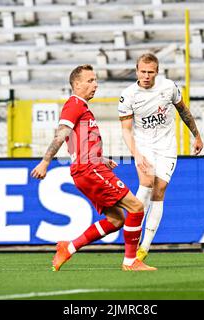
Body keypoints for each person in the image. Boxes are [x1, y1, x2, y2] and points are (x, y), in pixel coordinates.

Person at [31, 64, 157, 271]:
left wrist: (101, 158)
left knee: (116, 220)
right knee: (136, 207)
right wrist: (46, 161)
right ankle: (130, 261)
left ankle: (69, 248)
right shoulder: (74, 104)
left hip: (88, 168)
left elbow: (77, 142)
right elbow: (61, 134)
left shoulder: (80, 107)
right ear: (76, 84)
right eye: (90, 81)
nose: (95, 85)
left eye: (95, 80)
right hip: (88, 170)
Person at [119, 53, 203, 261]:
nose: (146, 76)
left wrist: (197, 136)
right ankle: (133, 237)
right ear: (136, 70)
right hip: (144, 145)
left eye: (151, 72)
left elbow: (184, 111)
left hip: (166, 146)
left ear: (157, 71)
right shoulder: (129, 95)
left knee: (160, 189)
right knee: (146, 182)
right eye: (143, 71)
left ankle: (144, 248)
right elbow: (126, 130)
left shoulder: (168, 88)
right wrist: (137, 154)